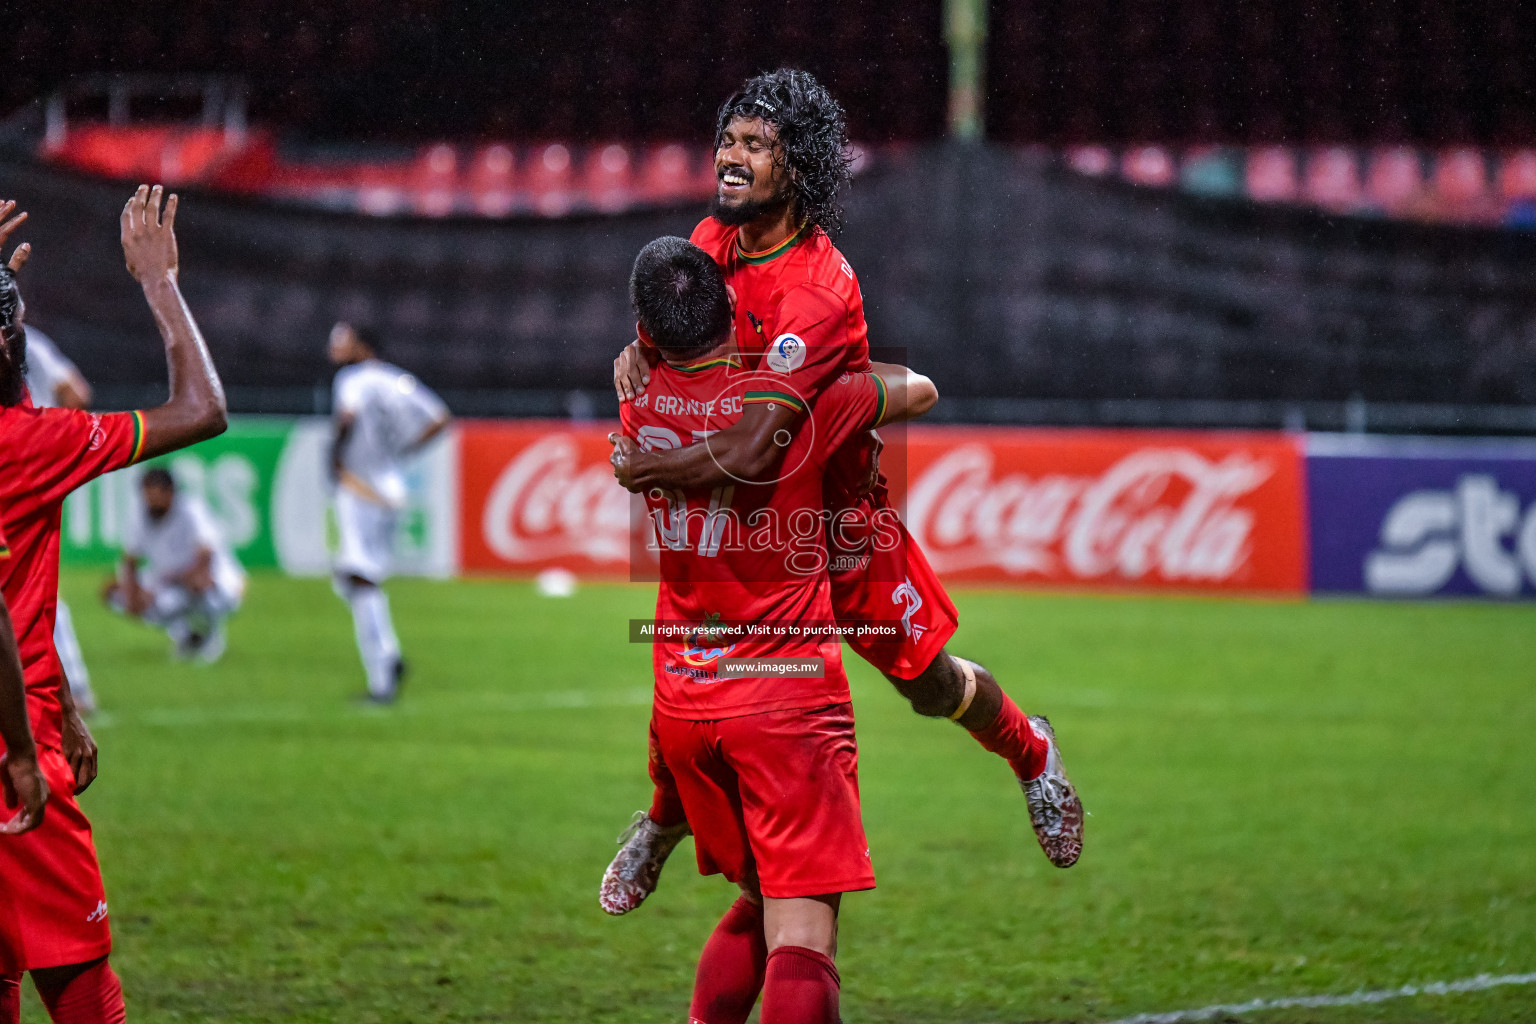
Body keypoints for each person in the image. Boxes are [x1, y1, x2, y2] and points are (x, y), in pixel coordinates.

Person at [602, 69, 1084, 916]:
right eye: (729, 139)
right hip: (751, 532)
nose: (733, 157)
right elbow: (667, 331)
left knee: (929, 685)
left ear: (800, 167)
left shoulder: (818, 288)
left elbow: (754, 446)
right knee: (692, 669)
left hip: (836, 521)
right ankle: (659, 826)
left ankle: (1029, 750)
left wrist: (645, 467)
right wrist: (637, 348)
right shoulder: (709, 243)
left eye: (758, 145)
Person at [618, 236, 938, 1023]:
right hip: (784, 704)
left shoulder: (638, 399)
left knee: (760, 899)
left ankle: (657, 831)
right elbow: (918, 392)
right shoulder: (796, 408)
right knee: (802, 933)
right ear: (732, 306)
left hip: (686, 706)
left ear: (645, 328)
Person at [0, 186, 227, 1023]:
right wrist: (159, 282)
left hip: (31, 713)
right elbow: (201, 410)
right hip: (11, 762)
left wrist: (63, 706)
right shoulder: (33, 442)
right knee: (82, 984)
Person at [327, 322, 451, 704]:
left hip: (359, 487)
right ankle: (389, 655)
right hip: (391, 488)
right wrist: (406, 451)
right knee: (356, 577)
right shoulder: (397, 381)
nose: (335, 345)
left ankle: (383, 676)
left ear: (362, 345)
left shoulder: (352, 379)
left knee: (359, 579)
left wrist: (334, 455)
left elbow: (347, 417)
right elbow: (440, 417)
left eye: (343, 338)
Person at [24, 327, 98, 713]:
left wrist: (44, 446)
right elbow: (75, 393)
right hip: (24, 470)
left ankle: (76, 688)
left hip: (19, 474)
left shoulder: (25, 342)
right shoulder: (23, 337)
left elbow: (75, 393)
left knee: (30, 584)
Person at [102, 468, 246, 664]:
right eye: (146, 494)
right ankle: (186, 636)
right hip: (169, 581)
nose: (150, 500)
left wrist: (193, 576)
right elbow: (130, 559)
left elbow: (206, 551)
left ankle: (212, 637)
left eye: (155, 494)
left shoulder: (190, 509)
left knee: (197, 585)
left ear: (170, 492)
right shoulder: (140, 515)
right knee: (114, 593)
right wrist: (133, 593)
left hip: (217, 581)